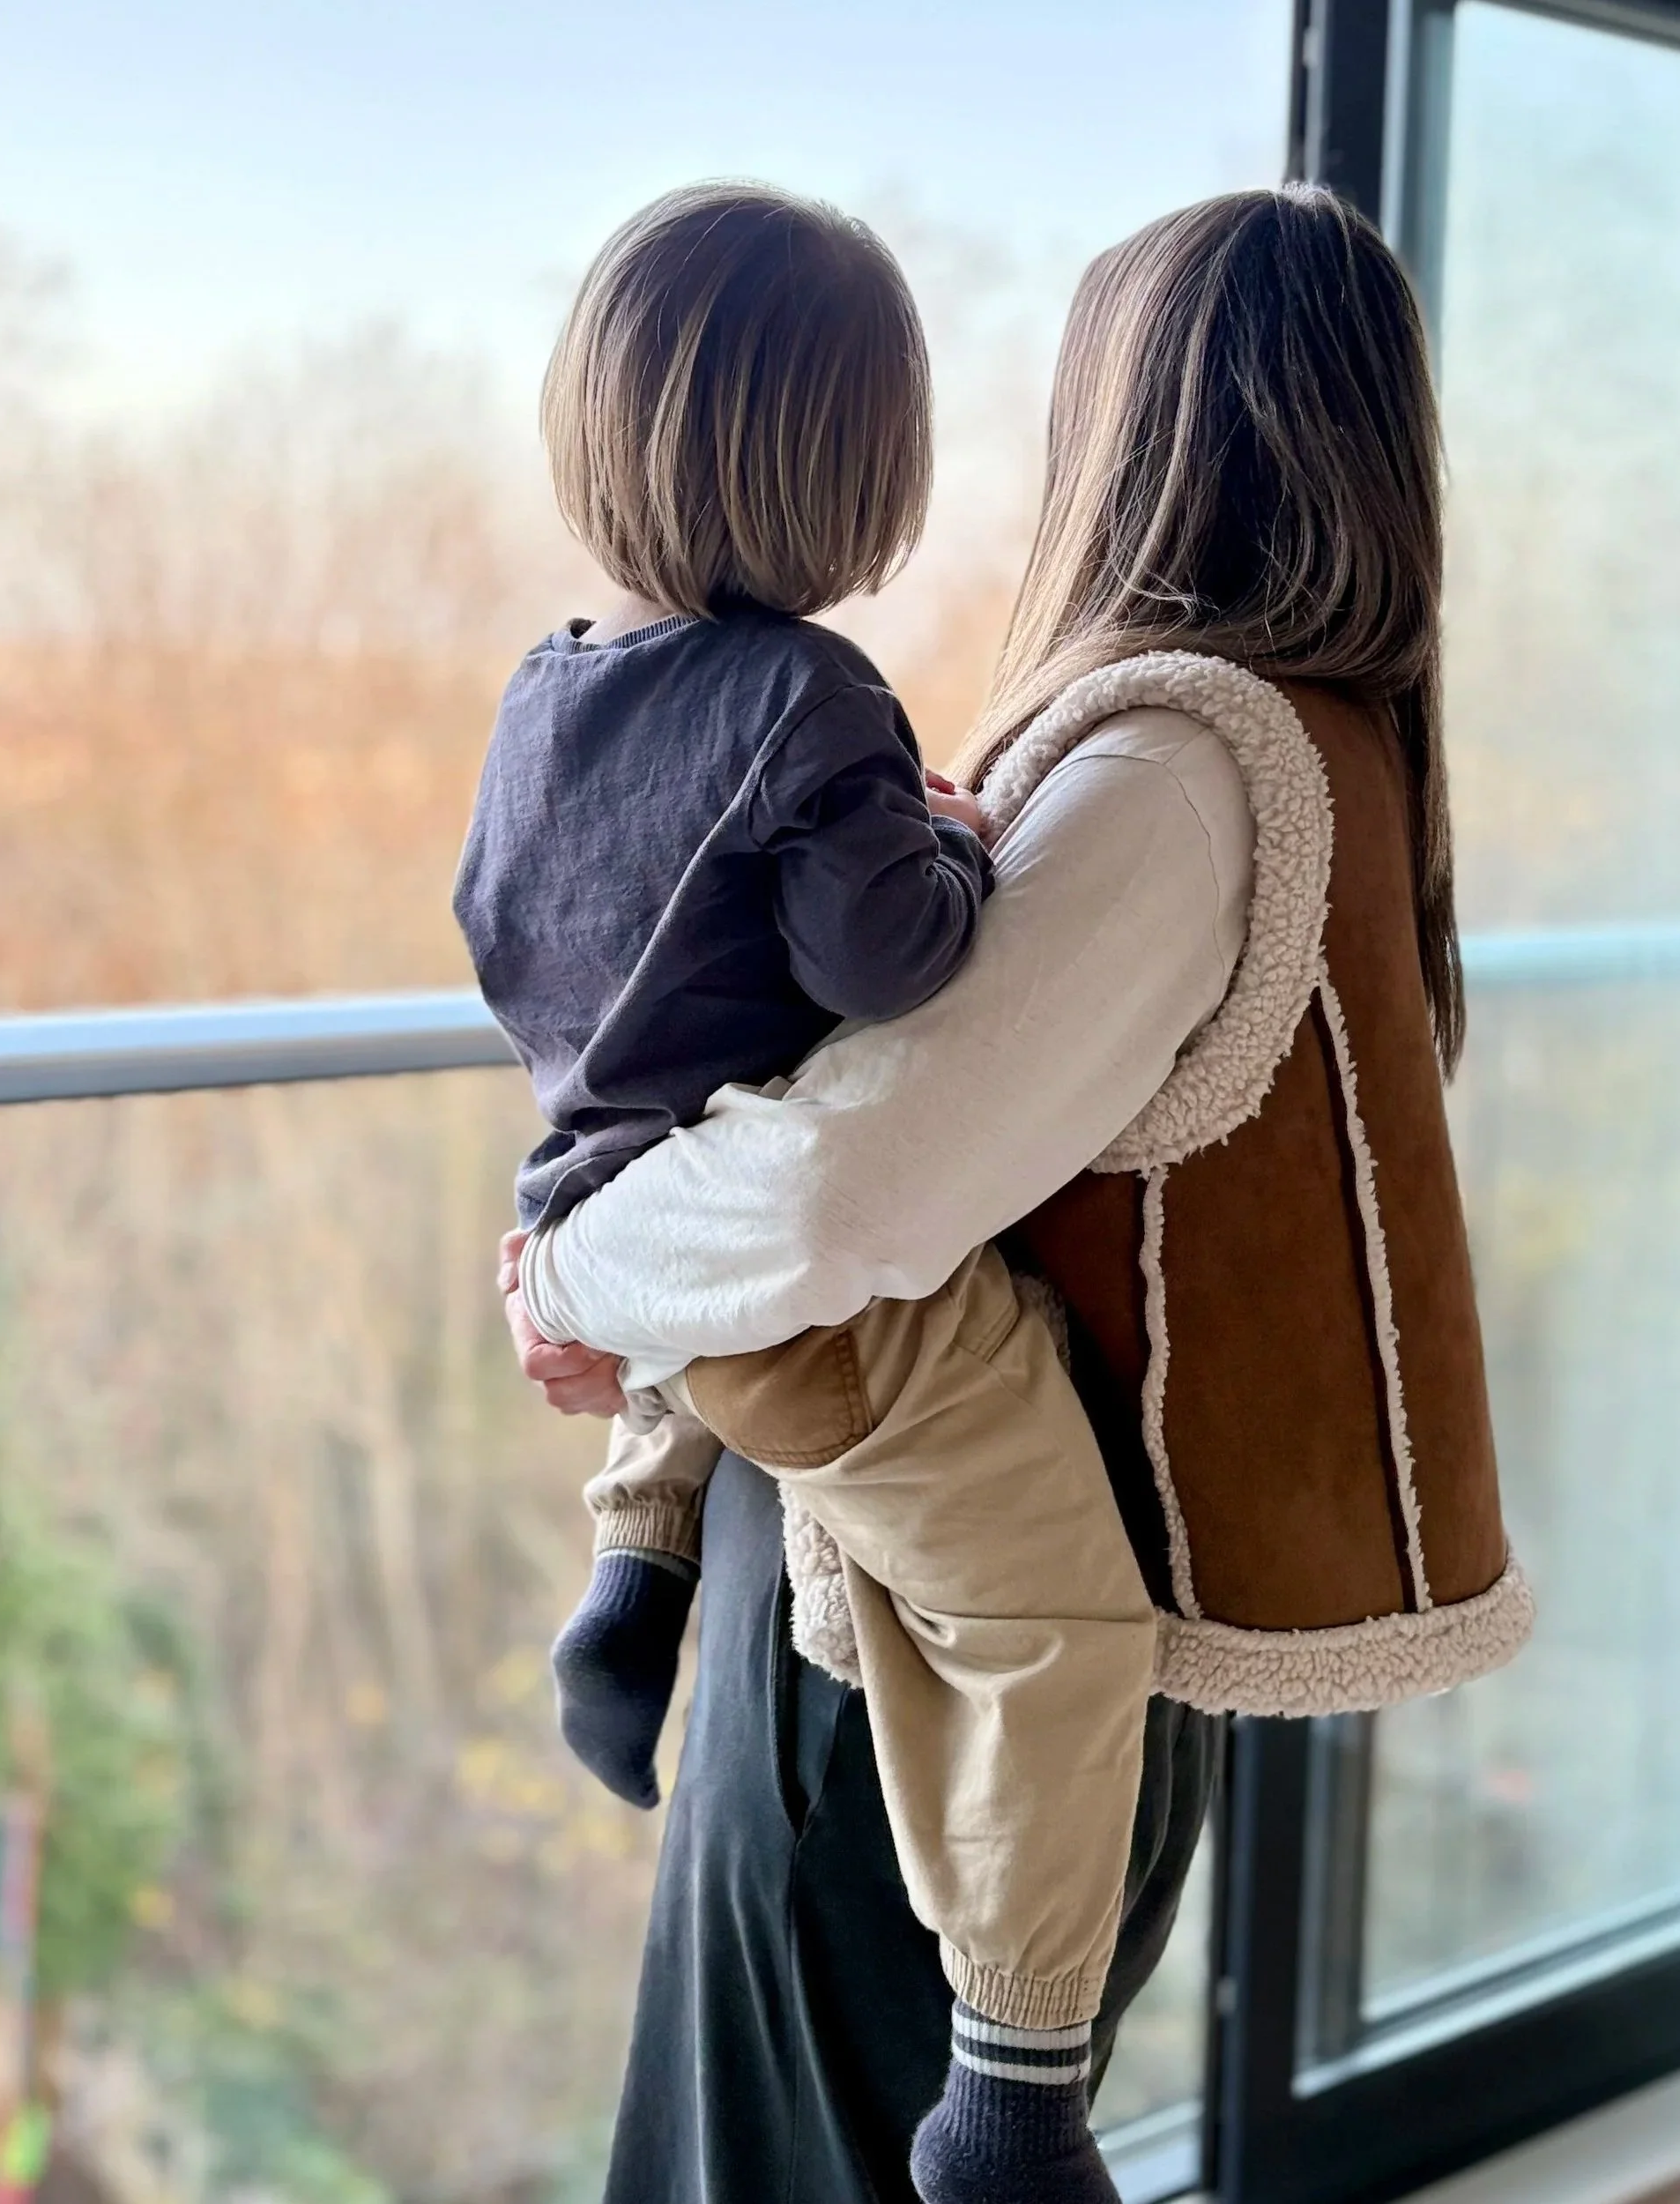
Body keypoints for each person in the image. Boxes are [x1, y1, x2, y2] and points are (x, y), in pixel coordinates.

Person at [503, 184, 1530, 2204]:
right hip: (953, 1620)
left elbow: (848, 1184)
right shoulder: (1321, 749)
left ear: (1128, 429)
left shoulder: (1174, 772)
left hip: (899, 1652)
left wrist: (574, 1266)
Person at [455, 181, 1172, 2204]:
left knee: (682, 1203)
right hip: (814, 1325)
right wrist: (948, 850)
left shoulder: (544, 692)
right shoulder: (814, 698)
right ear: (866, 467)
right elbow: (889, 966)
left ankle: (636, 1568)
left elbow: (536, 932)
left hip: (604, 1175)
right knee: (1053, 1624)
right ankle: (1013, 2090)